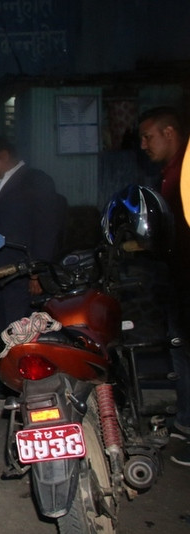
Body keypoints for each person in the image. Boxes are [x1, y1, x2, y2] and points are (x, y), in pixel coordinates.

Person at [0, 136, 66, 399]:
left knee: (20, 331)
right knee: (1, 329)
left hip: (21, 272)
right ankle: (5, 384)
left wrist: (36, 271)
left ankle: (24, 388)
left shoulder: (36, 181)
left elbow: (45, 230)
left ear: (4, 155)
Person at [138, 107, 190, 465]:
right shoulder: (168, 176)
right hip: (179, 283)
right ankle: (185, 423)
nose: (143, 145)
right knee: (180, 353)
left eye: (148, 137)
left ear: (169, 132)